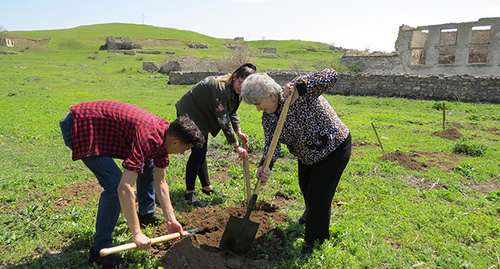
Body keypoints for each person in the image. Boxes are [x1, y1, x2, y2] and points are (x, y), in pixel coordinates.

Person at [59, 100, 204, 268]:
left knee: (147, 162)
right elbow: (125, 188)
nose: (183, 153)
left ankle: (146, 214)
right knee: (114, 187)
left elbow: (161, 181)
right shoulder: (148, 137)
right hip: (81, 126)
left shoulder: (164, 135)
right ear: (175, 142)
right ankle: (100, 251)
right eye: (185, 149)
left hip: (99, 126)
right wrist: (137, 234)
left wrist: (171, 219)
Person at [240, 68, 352, 255]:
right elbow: (272, 143)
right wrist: (264, 165)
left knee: (318, 196)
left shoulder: (296, 93)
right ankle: (310, 216)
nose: (258, 108)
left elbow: (331, 75)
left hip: (333, 147)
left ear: (271, 95)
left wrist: (302, 87)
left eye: (258, 103)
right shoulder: (268, 118)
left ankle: (315, 242)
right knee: (305, 187)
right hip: (307, 154)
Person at [175, 63, 257, 207]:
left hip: (203, 115)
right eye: (240, 83)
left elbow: (232, 111)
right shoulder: (220, 88)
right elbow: (223, 119)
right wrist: (236, 146)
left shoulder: (236, 91)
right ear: (235, 76)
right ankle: (189, 192)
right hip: (190, 112)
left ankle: (207, 187)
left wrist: (238, 131)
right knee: (198, 151)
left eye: (245, 87)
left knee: (201, 151)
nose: (241, 88)